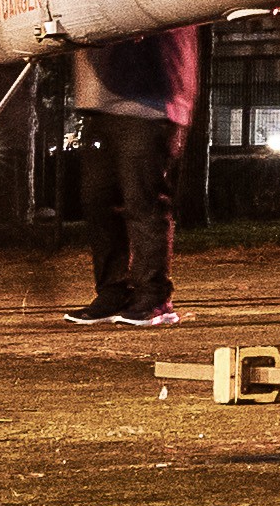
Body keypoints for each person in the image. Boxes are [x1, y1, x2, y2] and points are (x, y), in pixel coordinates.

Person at [60, 18, 199, 325]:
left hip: (150, 103)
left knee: (143, 201)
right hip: (102, 104)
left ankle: (154, 296)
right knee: (97, 200)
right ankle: (113, 291)